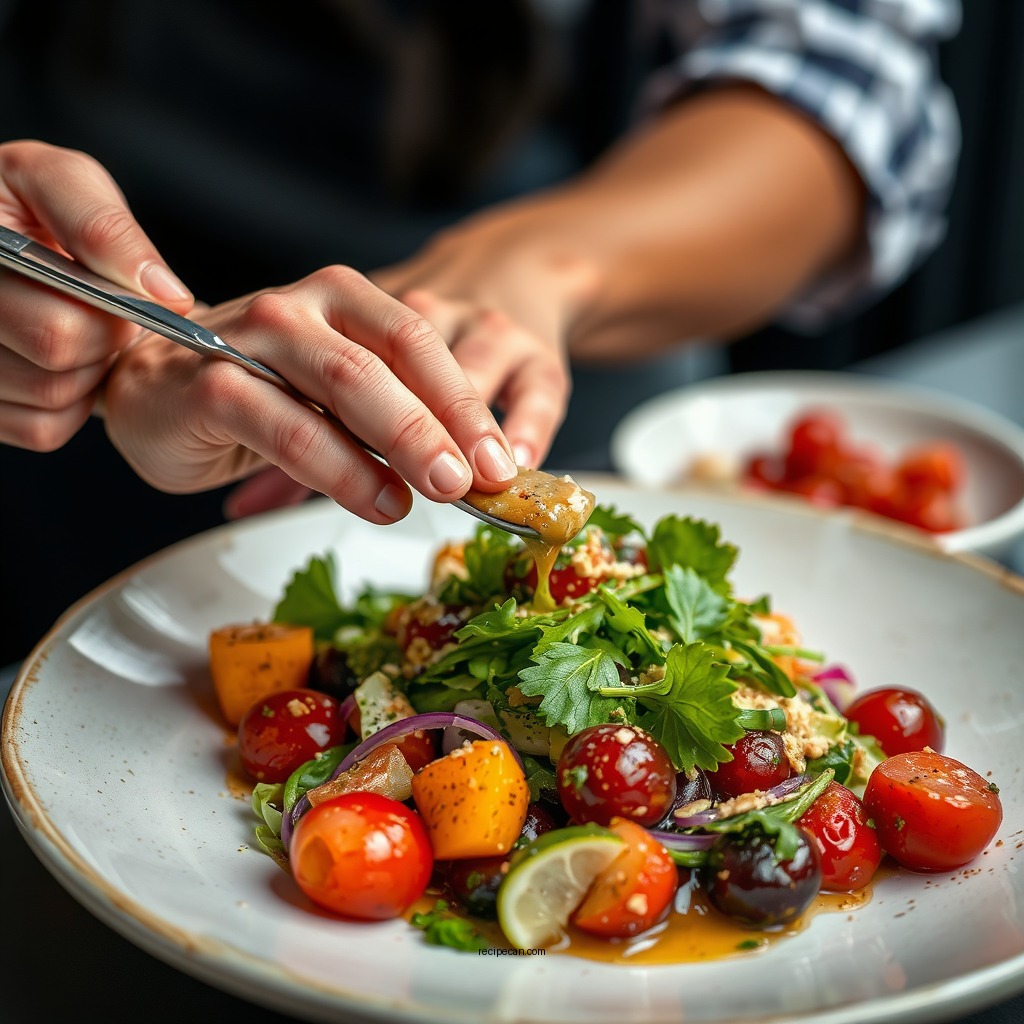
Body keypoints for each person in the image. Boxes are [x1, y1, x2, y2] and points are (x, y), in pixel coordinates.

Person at [0, 0, 961, 661]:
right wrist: (97, 337)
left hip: (581, 367)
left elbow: (845, 75)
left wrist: (540, 266)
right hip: (67, 423)